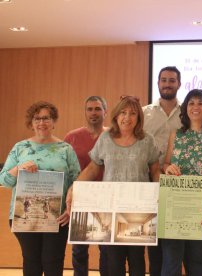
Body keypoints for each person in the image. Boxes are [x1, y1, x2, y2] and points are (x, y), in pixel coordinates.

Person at [72, 95, 161, 276]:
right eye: (123, 112)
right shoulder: (105, 138)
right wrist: (74, 187)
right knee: (113, 261)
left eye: (132, 113)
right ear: (115, 115)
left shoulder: (147, 140)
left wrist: (162, 193)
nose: (127, 117)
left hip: (138, 209)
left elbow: (155, 171)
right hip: (110, 209)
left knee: (136, 259)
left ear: (139, 118)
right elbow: (93, 167)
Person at [0, 101, 80, 276]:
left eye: (46, 118)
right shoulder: (20, 148)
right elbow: (4, 180)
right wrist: (18, 168)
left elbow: (77, 180)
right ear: (31, 122)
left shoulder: (65, 149)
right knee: (31, 261)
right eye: (37, 118)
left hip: (58, 216)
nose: (41, 122)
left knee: (53, 261)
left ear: (53, 121)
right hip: (25, 215)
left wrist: (69, 207)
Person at [162, 89, 202, 276]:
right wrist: (167, 168)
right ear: (185, 108)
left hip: (201, 209)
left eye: (200, 103)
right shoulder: (176, 134)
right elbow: (166, 163)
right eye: (191, 103)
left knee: (197, 260)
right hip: (174, 206)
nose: (195, 107)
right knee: (171, 260)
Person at [143, 66, 182, 276]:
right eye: (164, 80)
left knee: (173, 240)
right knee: (153, 237)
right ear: (157, 83)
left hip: (176, 181)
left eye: (172, 80)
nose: (168, 84)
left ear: (179, 84)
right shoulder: (143, 112)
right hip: (148, 181)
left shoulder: (187, 112)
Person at [64, 96, 109, 276]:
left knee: (106, 248)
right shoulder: (71, 137)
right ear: (85, 112)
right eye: (89, 109)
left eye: (97, 109)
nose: (93, 113)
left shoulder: (112, 135)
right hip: (80, 198)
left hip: (106, 198)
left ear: (105, 111)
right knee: (79, 249)